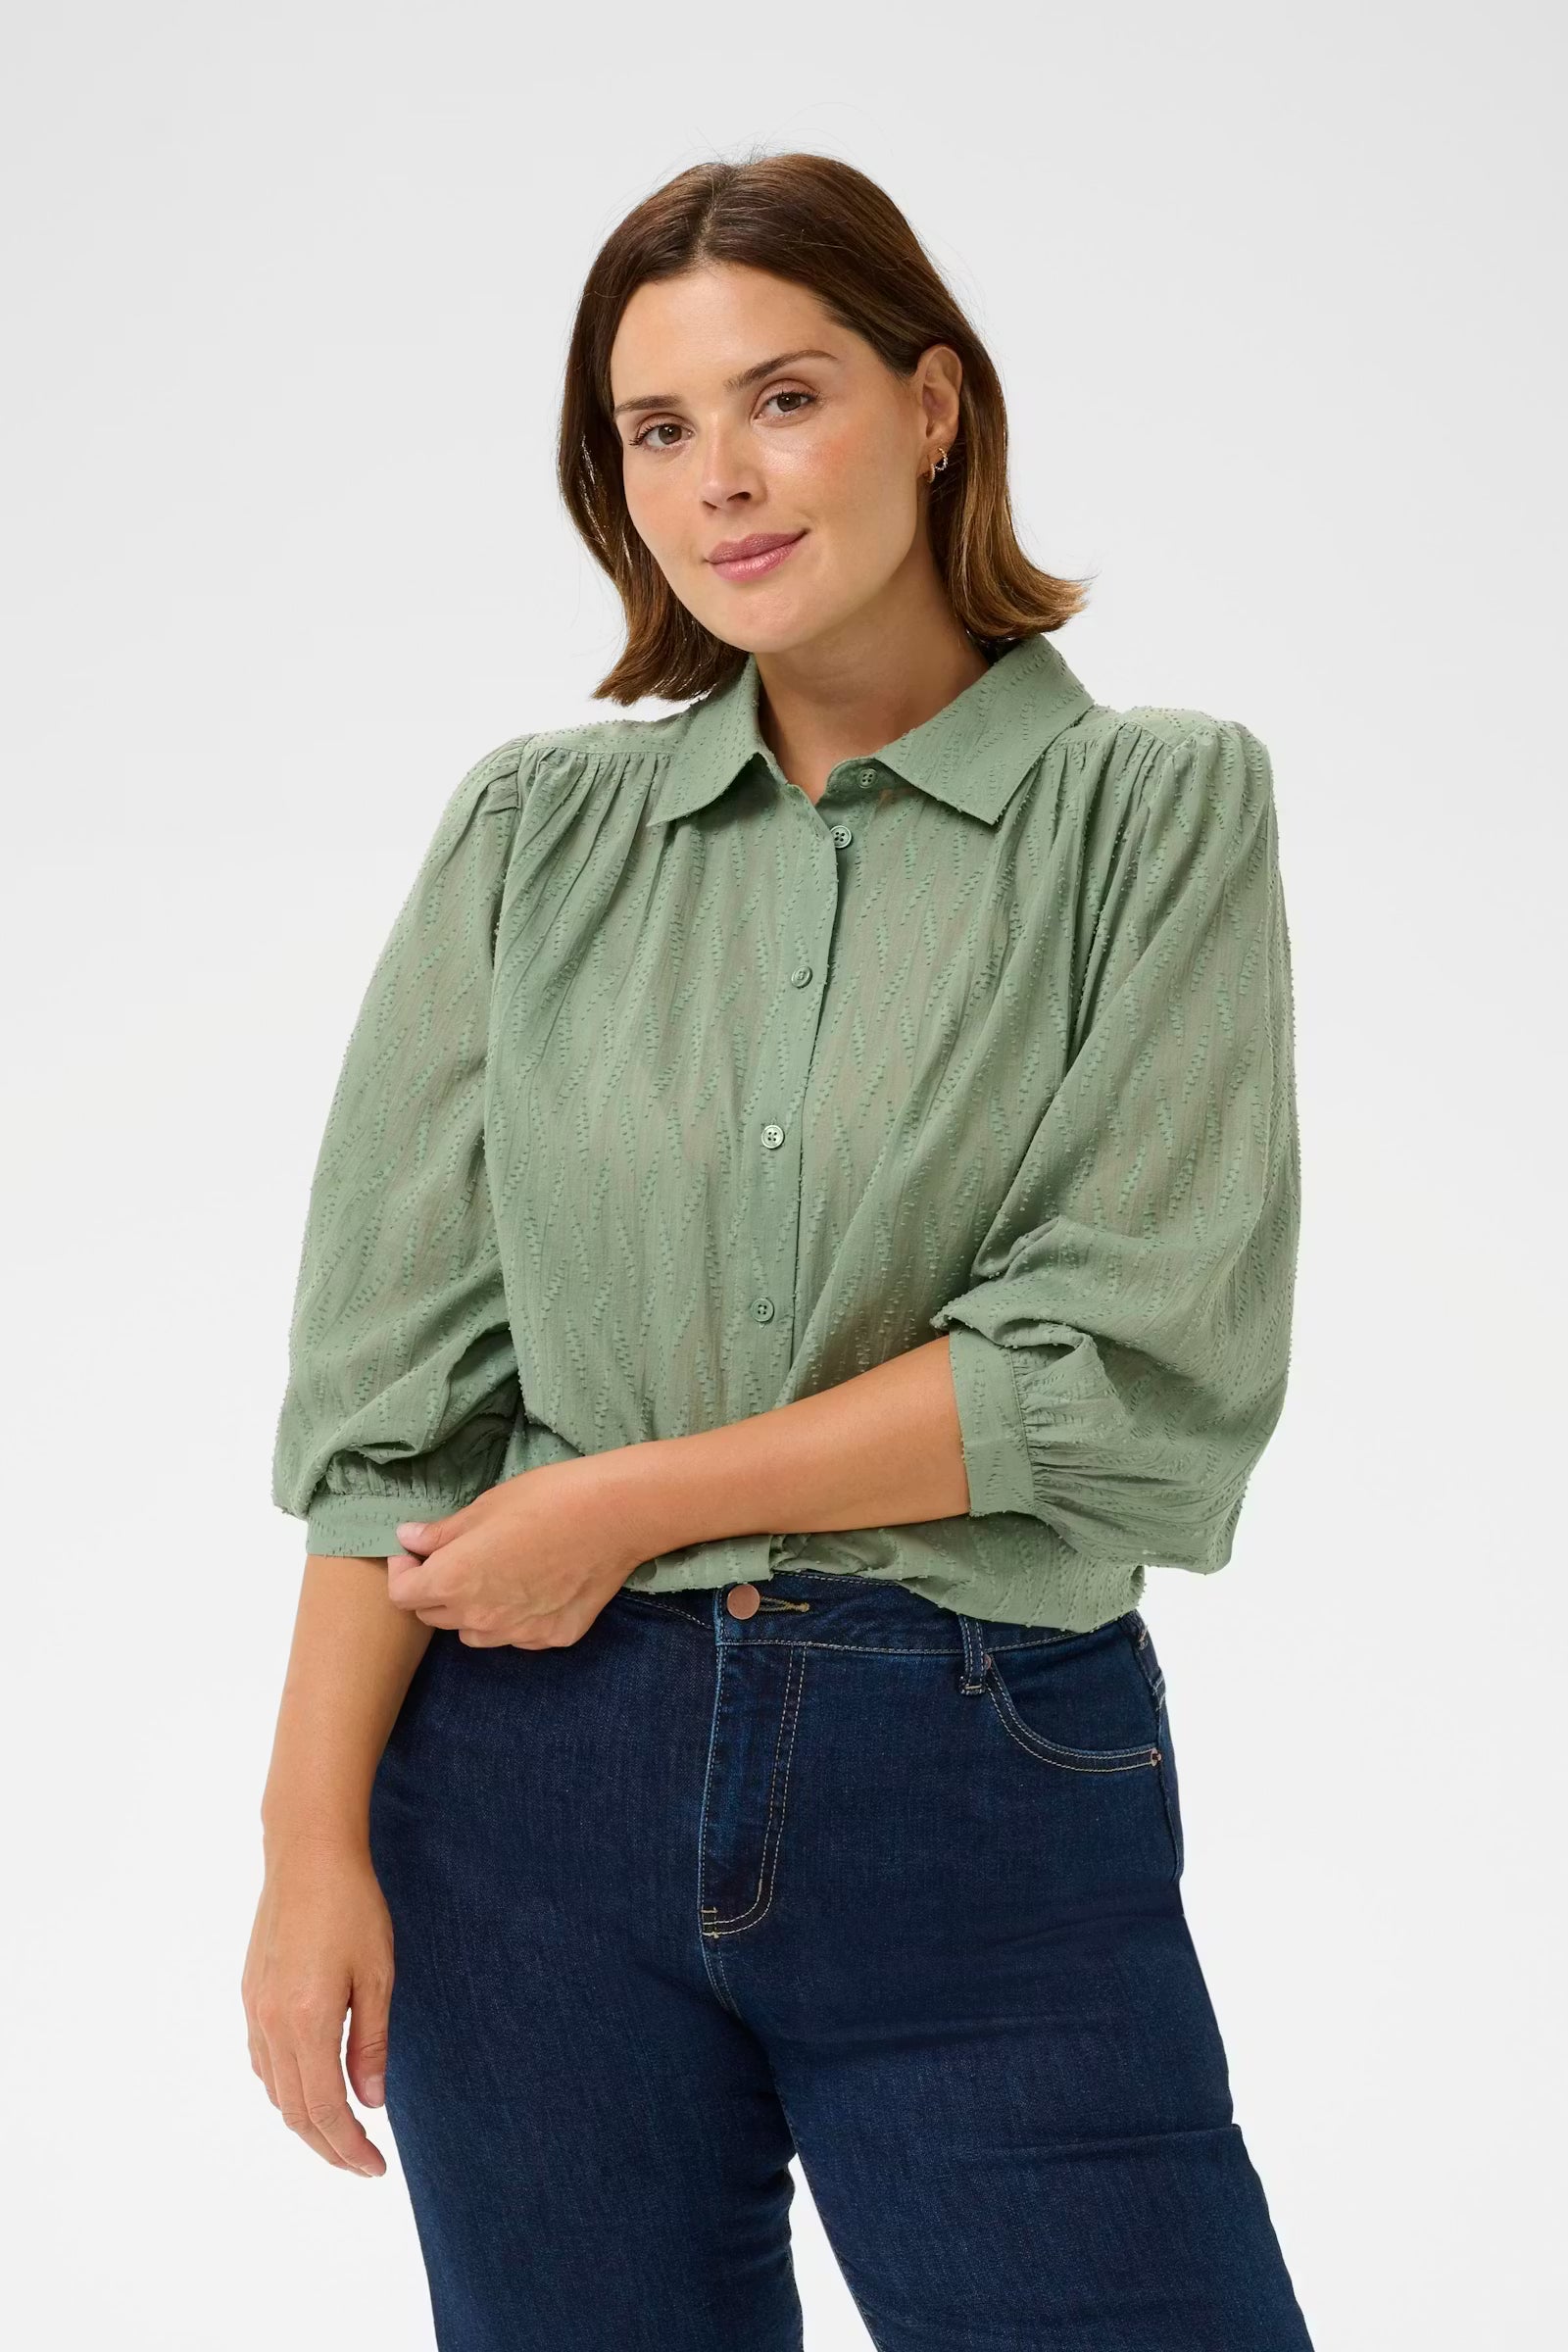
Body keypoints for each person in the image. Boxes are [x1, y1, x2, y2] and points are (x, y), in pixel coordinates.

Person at [244, 149, 1315, 2350]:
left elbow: (1122, 1367)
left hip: (973, 1780)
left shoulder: (1150, 815)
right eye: (657, 428)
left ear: (932, 405)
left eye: (783, 398)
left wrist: (628, 1499)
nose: (718, 479)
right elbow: (393, 1404)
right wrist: (306, 1847)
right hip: (521, 1801)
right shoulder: (535, 837)